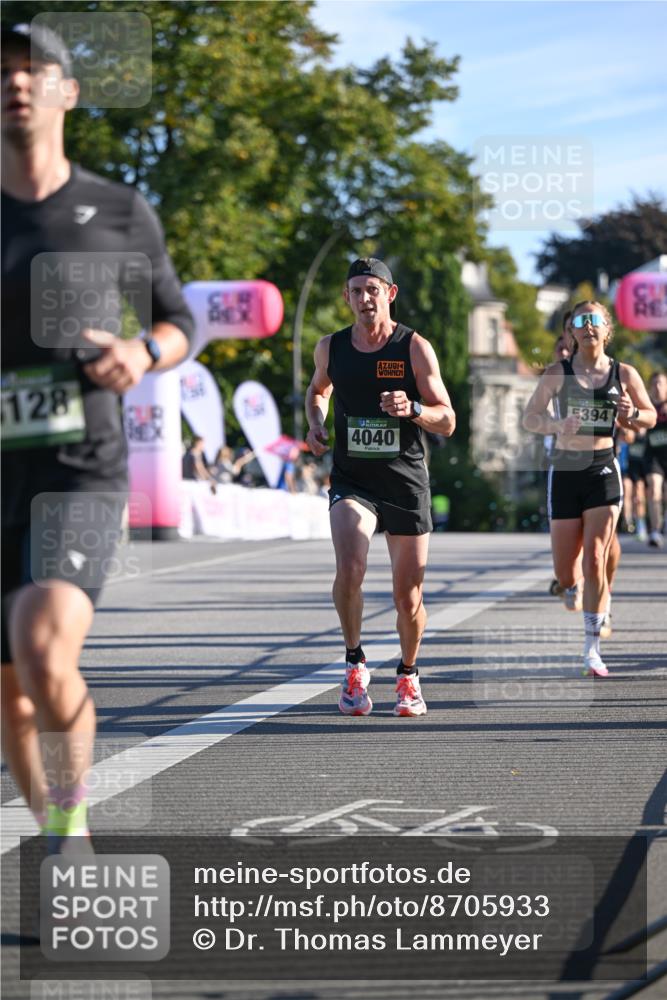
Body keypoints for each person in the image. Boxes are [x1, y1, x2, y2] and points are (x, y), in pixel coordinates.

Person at [1, 23, 194, 851]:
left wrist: (141, 350)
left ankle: (71, 827)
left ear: (67, 93)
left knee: (42, 644)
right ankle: (50, 820)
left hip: (81, 467)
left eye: (34, 70)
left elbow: (178, 320)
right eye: (3, 72)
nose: (16, 83)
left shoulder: (117, 209)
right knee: (11, 687)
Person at [305, 257, 455, 716]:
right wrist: (316, 425)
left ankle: (408, 674)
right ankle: (354, 663)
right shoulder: (331, 347)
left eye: (373, 290)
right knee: (350, 566)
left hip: (406, 480)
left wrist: (412, 408)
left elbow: (446, 419)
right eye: (356, 291)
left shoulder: (414, 347)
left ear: (389, 294)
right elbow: (317, 391)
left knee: (407, 594)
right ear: (346, 297)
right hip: (353, 479)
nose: (364, 299)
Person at [523, 301, 655, 676]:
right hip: (565, 472)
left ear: (607, 329)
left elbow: (647, 415)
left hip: (602, 469)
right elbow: (530, 417)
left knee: (595, 557)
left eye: (594, 320)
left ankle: (592, 649)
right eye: (580, 321)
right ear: (571, 333)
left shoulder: (624, 373)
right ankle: (569, 586)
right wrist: (555, 425)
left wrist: (631, 414)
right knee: (567, 572)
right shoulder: (557, 373)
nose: (587, 327)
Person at [645, 371, 667, 547]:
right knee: (654, 489)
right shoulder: (648, 405)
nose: (657, 387)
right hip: (654, 457)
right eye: (654, 384)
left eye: (660, 383)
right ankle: (655, 531)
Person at [618, 425, 648, 540]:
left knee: (639, 495)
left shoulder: (639, 422)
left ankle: (641, 524)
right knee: (626, 488)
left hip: (638, 467)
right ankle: (628, 521)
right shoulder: (621, 429)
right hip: (625, 467)